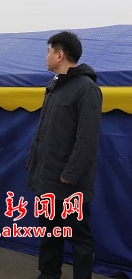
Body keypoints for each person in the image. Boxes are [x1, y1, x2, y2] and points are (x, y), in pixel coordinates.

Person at [26, 31, 102, 279]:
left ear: (60, 54)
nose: (46, 56)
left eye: (48, 51)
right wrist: (35, 166)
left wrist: (69, 175)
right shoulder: (54, 87)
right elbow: (44, 134)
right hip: (47, 178)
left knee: (79, 236)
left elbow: (87, 139)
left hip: (71, 182)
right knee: (50, 232)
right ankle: (48, 274)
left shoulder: (87, 89)